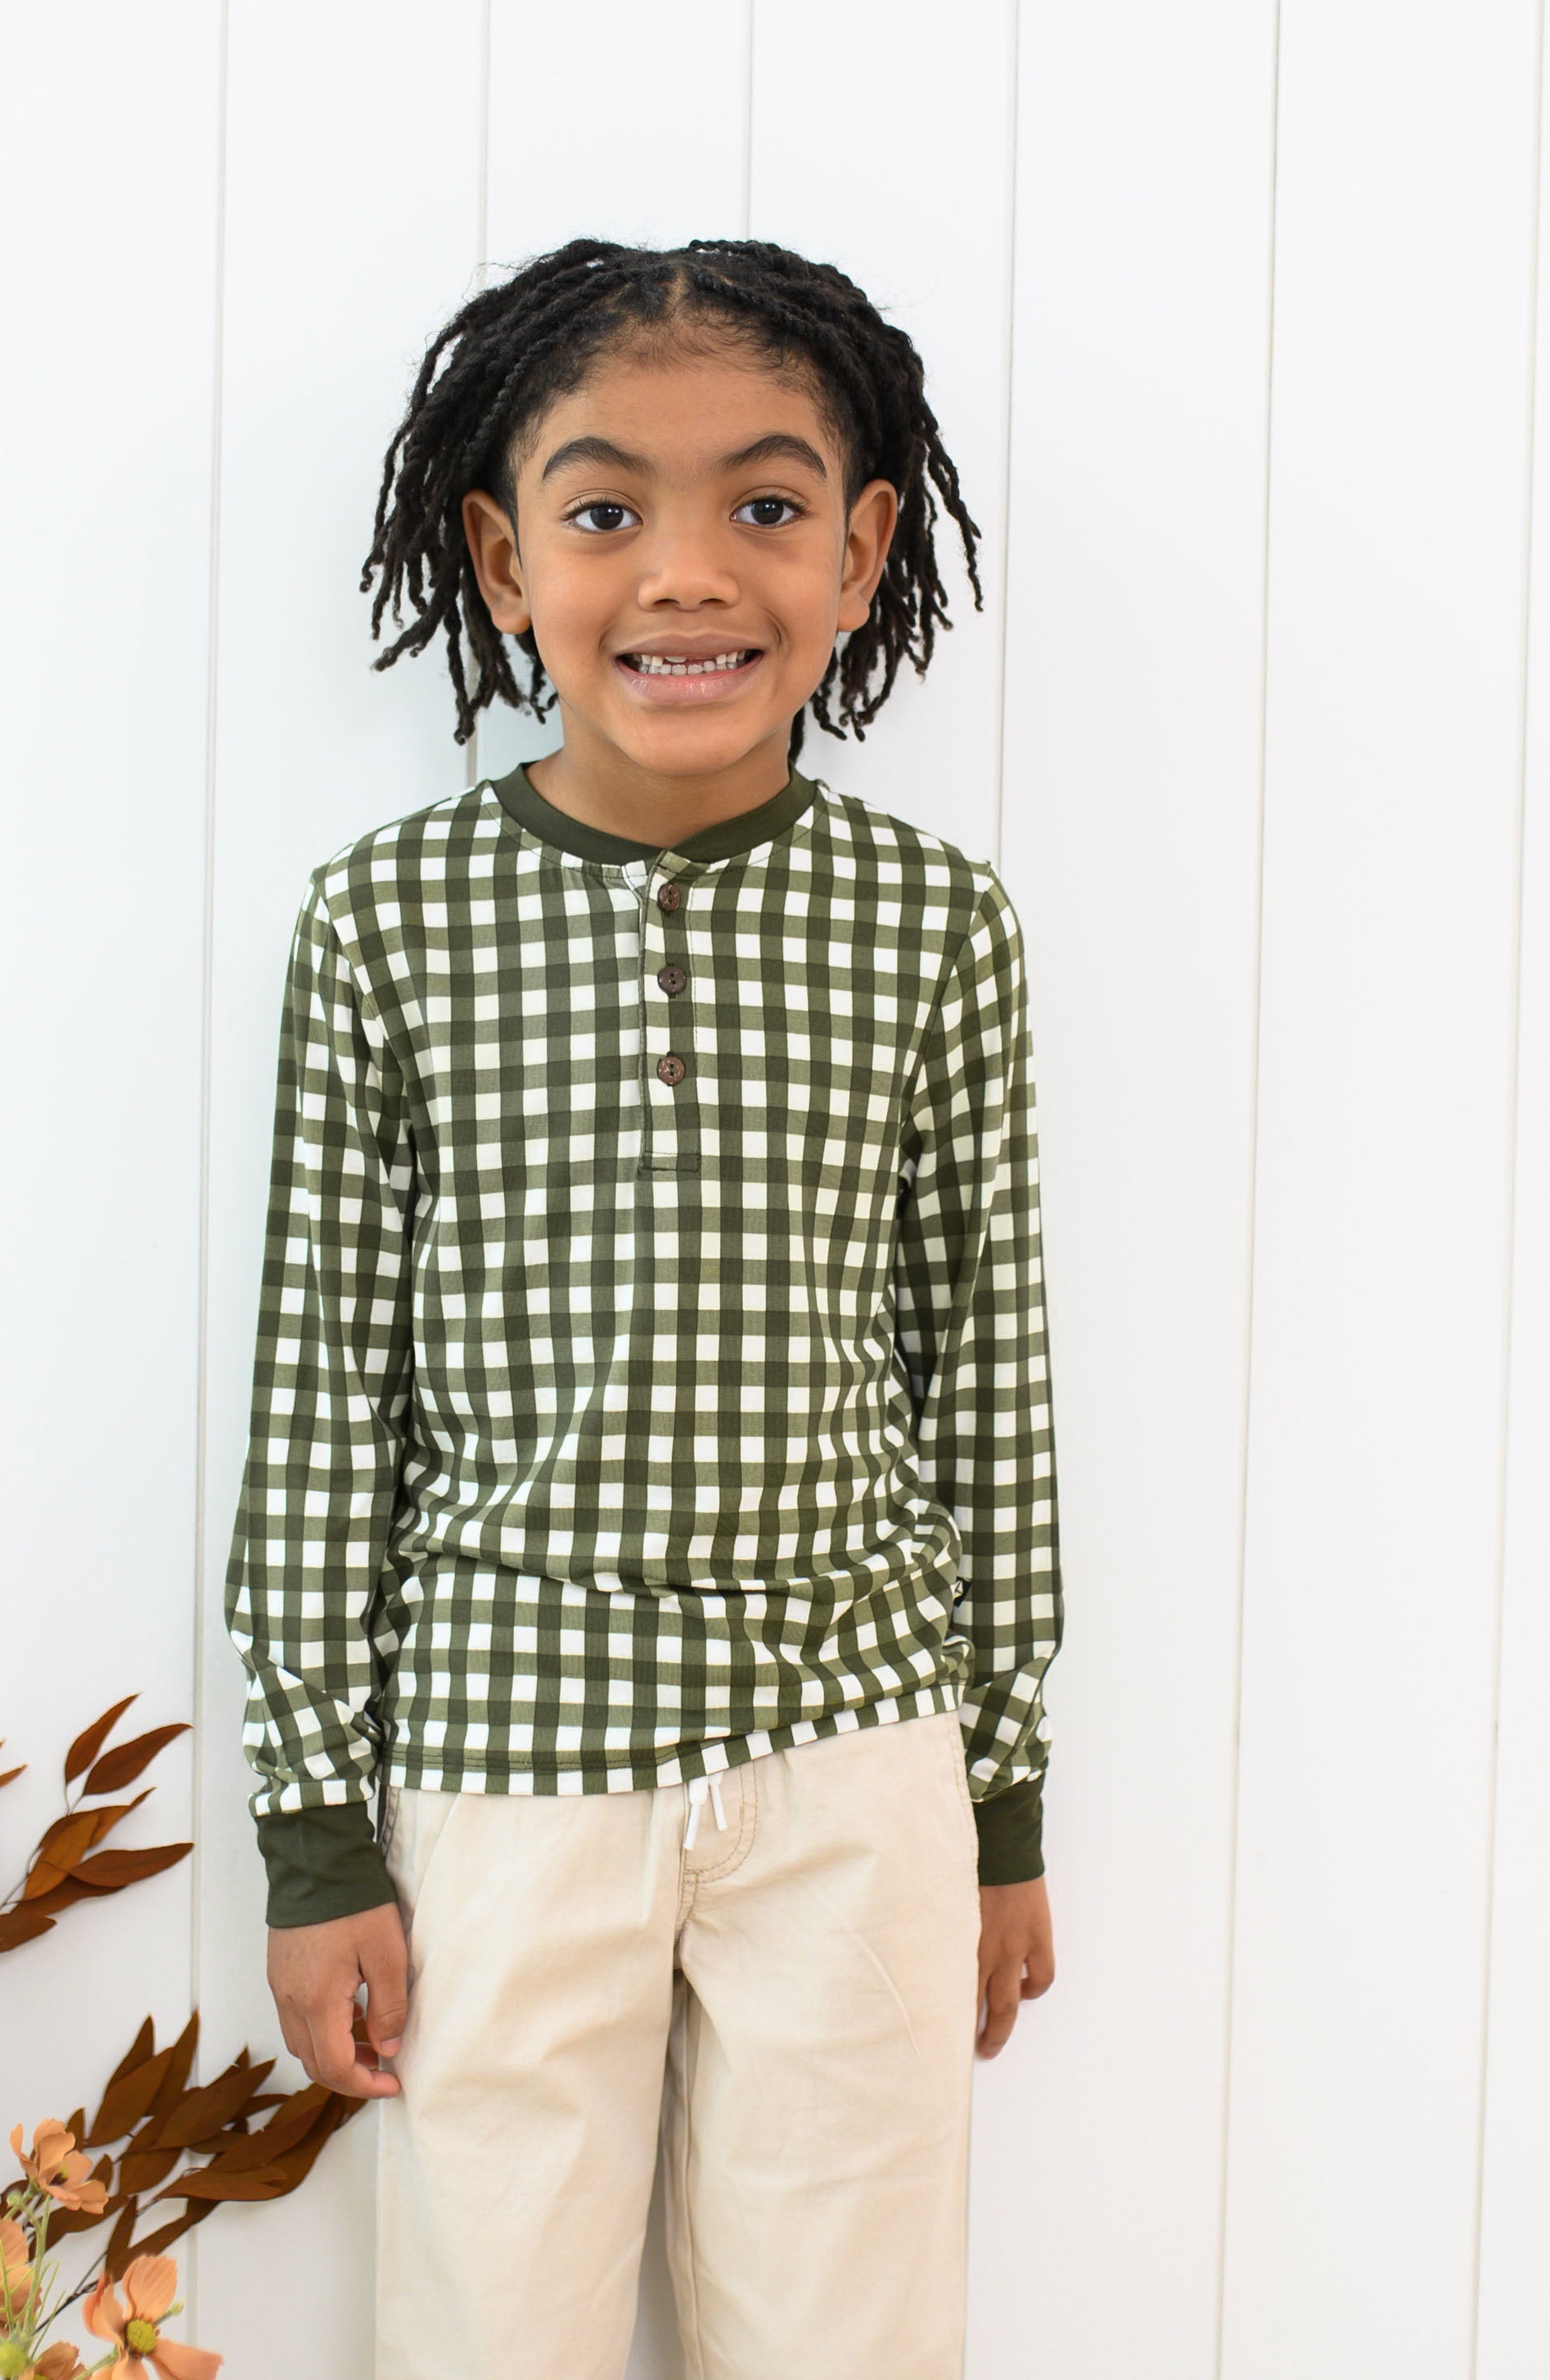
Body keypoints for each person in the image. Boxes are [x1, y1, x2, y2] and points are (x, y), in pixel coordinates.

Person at [223, 237, 1060, 2380]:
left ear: (863, 548)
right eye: (608, 512)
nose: (688, 575)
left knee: (847, 2328)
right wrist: (320, 1842)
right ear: (504, 560)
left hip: (854, 1751)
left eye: (765, 506)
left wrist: (1001, 1813)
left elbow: (987, 1380)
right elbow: (323, 1406)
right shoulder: (394, 925)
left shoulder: (932, 929)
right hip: (506, 1765)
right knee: (492, 2324)